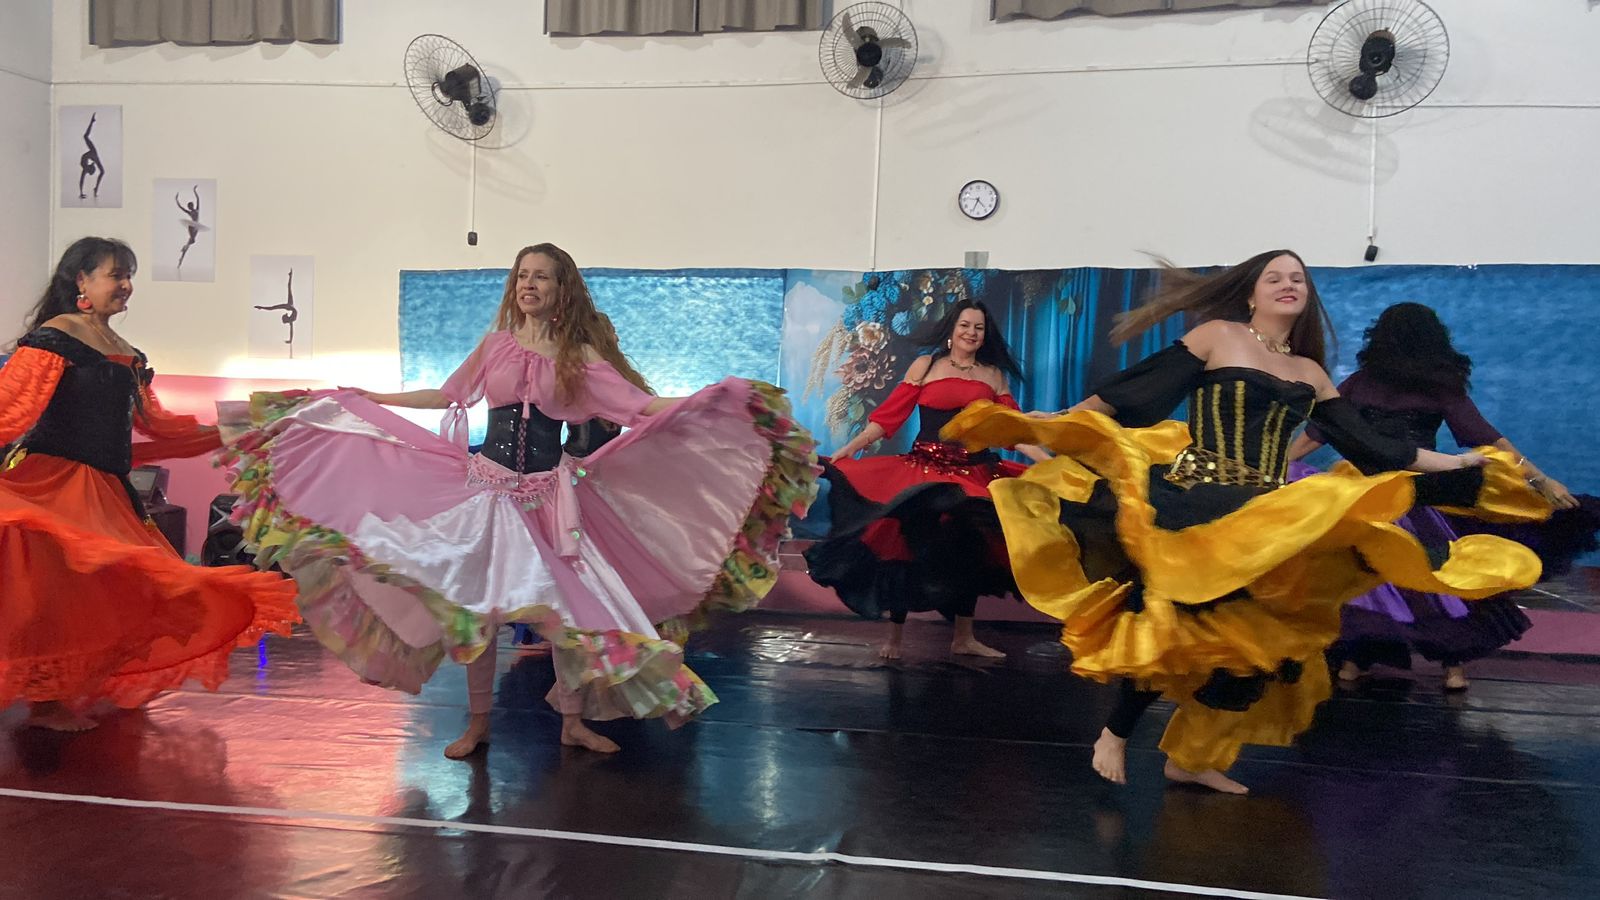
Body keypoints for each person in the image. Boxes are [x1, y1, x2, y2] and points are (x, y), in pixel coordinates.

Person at [943, 250, 1550, 793]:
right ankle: (1115, 733)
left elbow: (1374, 448)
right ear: (1252, 293)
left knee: (1262, 648)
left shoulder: (1310, 373)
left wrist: (1458, 462)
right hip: (1196, 499)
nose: (1288, 285)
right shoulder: (1218, 336)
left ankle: (1192, 758)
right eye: (1274, 277)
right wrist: (1056, 424)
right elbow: (1133, 392)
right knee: (1180, 623)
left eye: (1297, 279)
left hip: (1263, 513)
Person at [220, 243, 819, 757]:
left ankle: (572, 723)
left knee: (569, 615)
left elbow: (638, 407)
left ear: (562, 290)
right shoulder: (496, 346)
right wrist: (375, 398)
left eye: (541, 277)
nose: (528, 284)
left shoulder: (581, 357)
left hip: (550, 497)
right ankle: (478, 723)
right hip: (487, 491)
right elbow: (447, 395)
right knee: (478, 611)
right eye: (523, 275)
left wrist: (707, 400)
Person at [0, 237, 298, 731]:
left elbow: (159, 426)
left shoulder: (128, 353)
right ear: (82, 280)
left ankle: (73, 689)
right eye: (115, 275)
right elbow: (10, 410)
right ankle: (46, 704)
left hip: (107, 488)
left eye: (128, 276)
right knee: (54, 595)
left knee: (115, 589)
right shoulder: (55, 337)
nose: (126, 286)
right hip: (53, 484)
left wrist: (242, 427)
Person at [1286, 302, 1598, 691]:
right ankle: (1453, 668)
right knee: (1439, 577)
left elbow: (1316, 435)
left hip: (1370, 496)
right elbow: (1488, 437)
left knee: (1366, 575)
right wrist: (1541, 479)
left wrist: (1276, 468)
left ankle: (1353, 661)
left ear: (1379, 338)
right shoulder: (1439, 386)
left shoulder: (1360, 383)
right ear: (1434, 339)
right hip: (1416, 495)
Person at [805, 300, 1048, 660]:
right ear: (952, 329)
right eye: (965, 325)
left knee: (971, 547)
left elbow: (1013, 432)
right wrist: (852, 447)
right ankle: (894, 637)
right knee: (905, 544)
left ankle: (963, 638)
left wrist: (1049, 463)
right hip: (924, 469)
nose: (971, 333)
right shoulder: (926, 365)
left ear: (985, 335)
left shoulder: (993, 375)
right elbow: (890, 415)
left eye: (978, 328)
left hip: (973, 473)